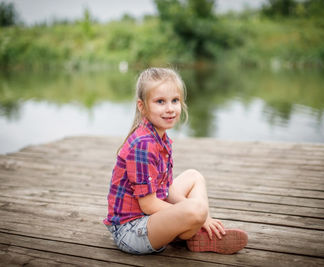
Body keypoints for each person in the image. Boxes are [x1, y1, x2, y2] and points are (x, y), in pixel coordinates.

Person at [103, 67, 248, 255]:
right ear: (142, 106)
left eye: (175, 100)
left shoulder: (160, 138)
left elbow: (166, 189)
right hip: (131, 230)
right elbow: (148, 205)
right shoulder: (143, 145)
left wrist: (196, 214)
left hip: (150, 219)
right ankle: (195, 229)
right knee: (196, 210)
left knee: (193, 176)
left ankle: (198, 232)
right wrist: (197, 215)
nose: (170, 108)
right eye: (160, 102)